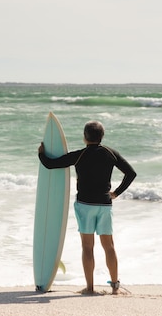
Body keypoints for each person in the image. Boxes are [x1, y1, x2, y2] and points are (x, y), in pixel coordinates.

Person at [38, 120, 137, 295]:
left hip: (84, 205)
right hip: (104, 205)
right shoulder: (110, 153)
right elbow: (131, 173)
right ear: (102, 136)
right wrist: (116, 193)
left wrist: (41, 154)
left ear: (85, 137)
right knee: (109, 246)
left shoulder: (80, 155)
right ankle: (115, 287)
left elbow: (51, 164)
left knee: (87, 246)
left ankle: (90, 288)